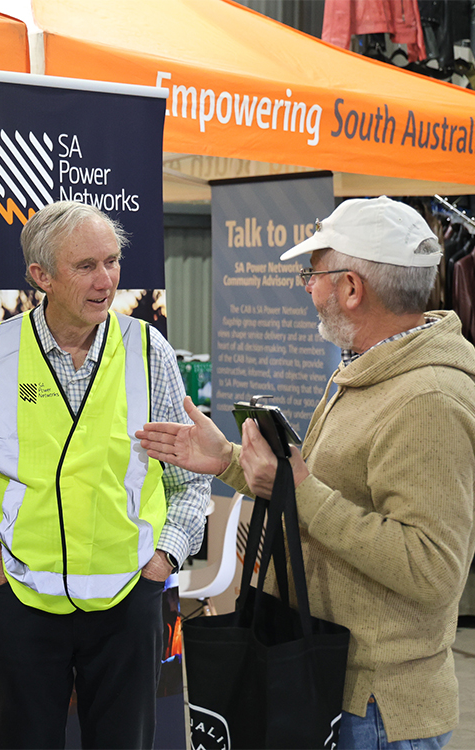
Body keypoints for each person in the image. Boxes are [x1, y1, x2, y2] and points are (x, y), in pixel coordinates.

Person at [138, 196, 475, 749]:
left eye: (311, 274)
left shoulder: (429, 398)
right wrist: (225, 459)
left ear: (351, 288)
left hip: (379, 710)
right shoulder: (370, 373)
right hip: (330, 685)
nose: (307, 288)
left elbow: (432, 570)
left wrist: (302, 490)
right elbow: (313, 492)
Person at [0, 200, 211, 749]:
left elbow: (189, 477)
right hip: (20, 599)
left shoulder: (149, 351)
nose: (106, 281)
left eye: (112, 262)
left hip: (127, 602)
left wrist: (165, 556)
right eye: (86, 266)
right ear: (40, 276)